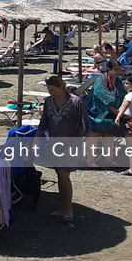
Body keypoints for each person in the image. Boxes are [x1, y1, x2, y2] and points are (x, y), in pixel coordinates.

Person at [37, 75, 88, 225]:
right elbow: (43, 122)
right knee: (59, 175)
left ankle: (68, 210)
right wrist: (36, 140)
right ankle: (63, 206)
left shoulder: (75, 102)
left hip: (71, 145)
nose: (50, 92)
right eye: (49, 90)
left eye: (53, 89)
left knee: (64, 175)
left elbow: (84, 124)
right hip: (54, 144)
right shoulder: (48, 101)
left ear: (61, 87)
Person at [85, 60, 126, 168]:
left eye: (119, 69)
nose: (118, 72)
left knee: (109, 137)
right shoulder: (100, 80)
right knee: (94, 137)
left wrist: (120, 110)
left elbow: (121, 94)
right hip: (96, 113)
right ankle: (90, 161)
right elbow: (102, 97)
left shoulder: (118, 82)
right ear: (109, 69)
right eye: (115, 70)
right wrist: (116, 112)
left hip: (111, 115)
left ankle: (109, 160)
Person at [114, 74, 132, 175]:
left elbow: (125, 106)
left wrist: (118, 117)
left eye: (127, 83)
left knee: (131, 145)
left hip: (131, 121)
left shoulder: (130, 95)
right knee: (131, 145)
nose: (125, 85)